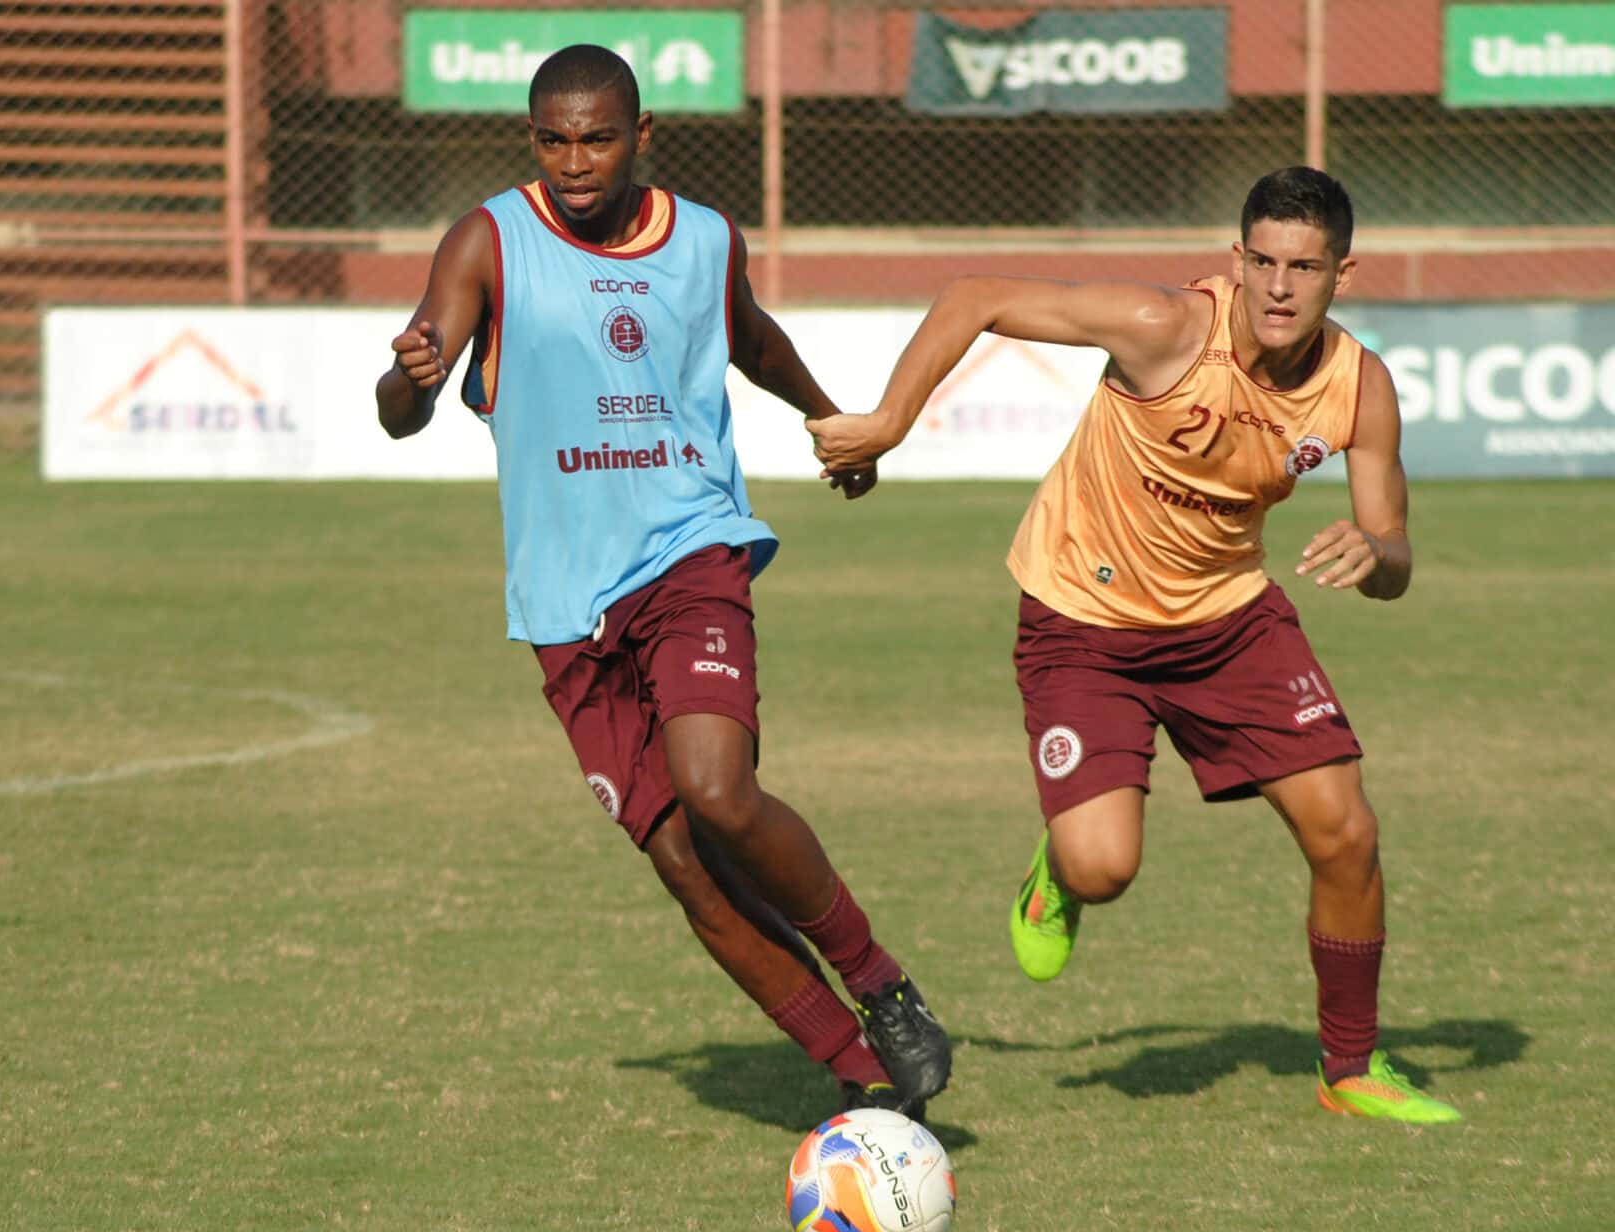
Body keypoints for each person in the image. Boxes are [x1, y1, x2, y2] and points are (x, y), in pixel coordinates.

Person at [808, 166, 1459, 1123]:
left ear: (1342, 275)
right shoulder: (1165, 328)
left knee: (1347, 830)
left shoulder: (1360, 388)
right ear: (1236, 261)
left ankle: (1351, 1067)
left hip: (1231, 620)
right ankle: (1059, 869)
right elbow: (974, 297)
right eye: (1265, 262)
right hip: (1083, 621)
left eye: (1305, 268)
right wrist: (887, 426)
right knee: (1104, 866)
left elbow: (1396, 552)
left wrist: (1380, 551)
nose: (1280, 287)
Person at [375, 44, 951, 1120]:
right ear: (531, 141)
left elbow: (752, 340)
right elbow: (408, 401)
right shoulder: (487, 240)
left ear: (642, 136)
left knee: (718, 791)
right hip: (562, 600)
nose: (575, 161)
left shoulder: (701, 240)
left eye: (597, 138)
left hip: (688, 549)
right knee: (684, 862)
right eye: (553, 140)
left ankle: (880, 985)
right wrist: (403, 378)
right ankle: (861, 1077)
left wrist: (834, 421)